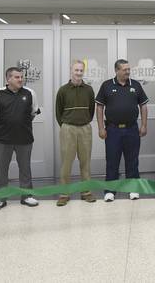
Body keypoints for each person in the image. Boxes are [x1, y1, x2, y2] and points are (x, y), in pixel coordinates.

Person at [0, 67, 41, 212]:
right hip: (2, 139)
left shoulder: (30, 93)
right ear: (8, 79)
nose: (21, 79)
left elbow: (33, 113)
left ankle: (26, 196)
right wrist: (3, 127)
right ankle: (0, 199)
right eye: (17, 77)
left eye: (21, 77)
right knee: (1, 170)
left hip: (25, 138)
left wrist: (20, 125)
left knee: (25, 168)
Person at [96, 59, 149, 202]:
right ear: (117, 70)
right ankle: (110, 191)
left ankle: (133, 188)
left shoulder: (136, 85)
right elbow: (99, 107)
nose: (128, 72)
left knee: (132, 160)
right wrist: (101, 128)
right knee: (112, 161)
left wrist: (144, 125)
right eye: (125, 69)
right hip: (112, 130)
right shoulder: (107, 85)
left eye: (128, 69)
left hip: (132, 129)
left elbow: (143, 106)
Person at [55, 60, 96, 206]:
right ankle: (64, 194)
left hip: (85, 128)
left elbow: (91, 110)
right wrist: (67, 125)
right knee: (66, 162)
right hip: (68, 129)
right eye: (76, 70)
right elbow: (58, 112)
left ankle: (86, 192)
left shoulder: (89, 90)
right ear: (70, 71)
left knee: (85, 162)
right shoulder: (63, 90)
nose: (78, 73)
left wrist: (83, 121)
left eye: (81, 70)